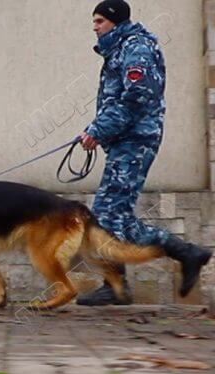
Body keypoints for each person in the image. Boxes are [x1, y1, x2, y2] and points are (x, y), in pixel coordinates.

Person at [77, 0, 212, 305]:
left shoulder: (136, 48)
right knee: (114, 217)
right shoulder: (120, 48)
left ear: (116, 21)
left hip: (135, 141)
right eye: (94, 22)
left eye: (100, 21)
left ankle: (121, 285)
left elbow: (136, 99)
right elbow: (118, 101)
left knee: (108, 215)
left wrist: (98, 131)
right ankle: (180, 256)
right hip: (125, 140)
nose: (95, 27)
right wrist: (96, 129)